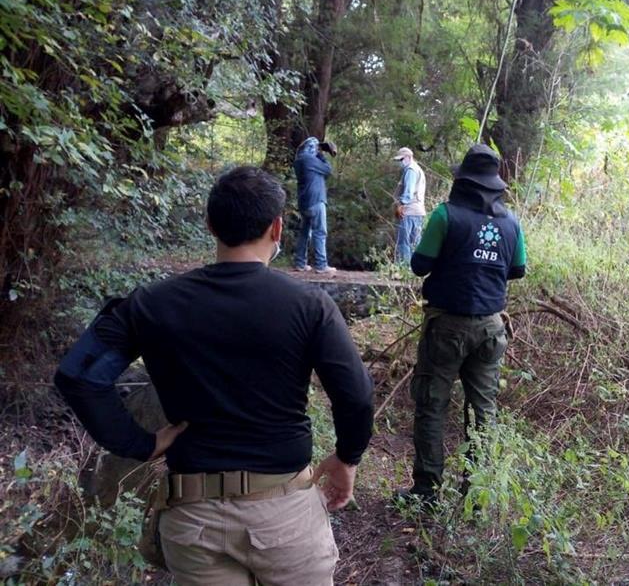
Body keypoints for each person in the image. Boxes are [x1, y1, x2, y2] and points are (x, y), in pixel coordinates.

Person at [54, 166, 373, 586]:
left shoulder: (152, 304)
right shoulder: (309, 306)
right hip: (285, 515)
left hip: (193, 520)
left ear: (210, 225)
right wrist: (346, 458)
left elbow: (80, 375)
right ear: (277, 228)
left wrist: (138, 443)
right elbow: (356, 395)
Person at [400, 144, 526, 502]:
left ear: (463, 181)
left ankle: (427, 493)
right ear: (495, 184)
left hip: (446, 328)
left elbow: (419, 265)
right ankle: (474, 496)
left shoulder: (446, 215)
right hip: (491, 330)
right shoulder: (511, 222)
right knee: (482, 411)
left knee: (431, 406)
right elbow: (517, 269)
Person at [294, 136, 337, 275]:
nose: (318, 149)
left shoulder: (299, 160)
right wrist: (321, 155)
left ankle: (300, 263)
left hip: (304, 202)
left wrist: (319, 152)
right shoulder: (310, 159)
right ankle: (321, 265)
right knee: (320, 232)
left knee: (304, 233)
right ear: (312, 148)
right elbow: (328, 169)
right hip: (316, 200)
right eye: (317, 147)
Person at [392, 146, 427, 264]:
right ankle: (414, 270)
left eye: (401, 159)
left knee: (404, 242)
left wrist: (401, 205)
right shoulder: (418, 169)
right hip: (418, 212)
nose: (400, 162)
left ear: (409, 157)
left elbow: (409, 192)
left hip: (409, 211)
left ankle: (403, 268)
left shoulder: (410, 170)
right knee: (415, 243)